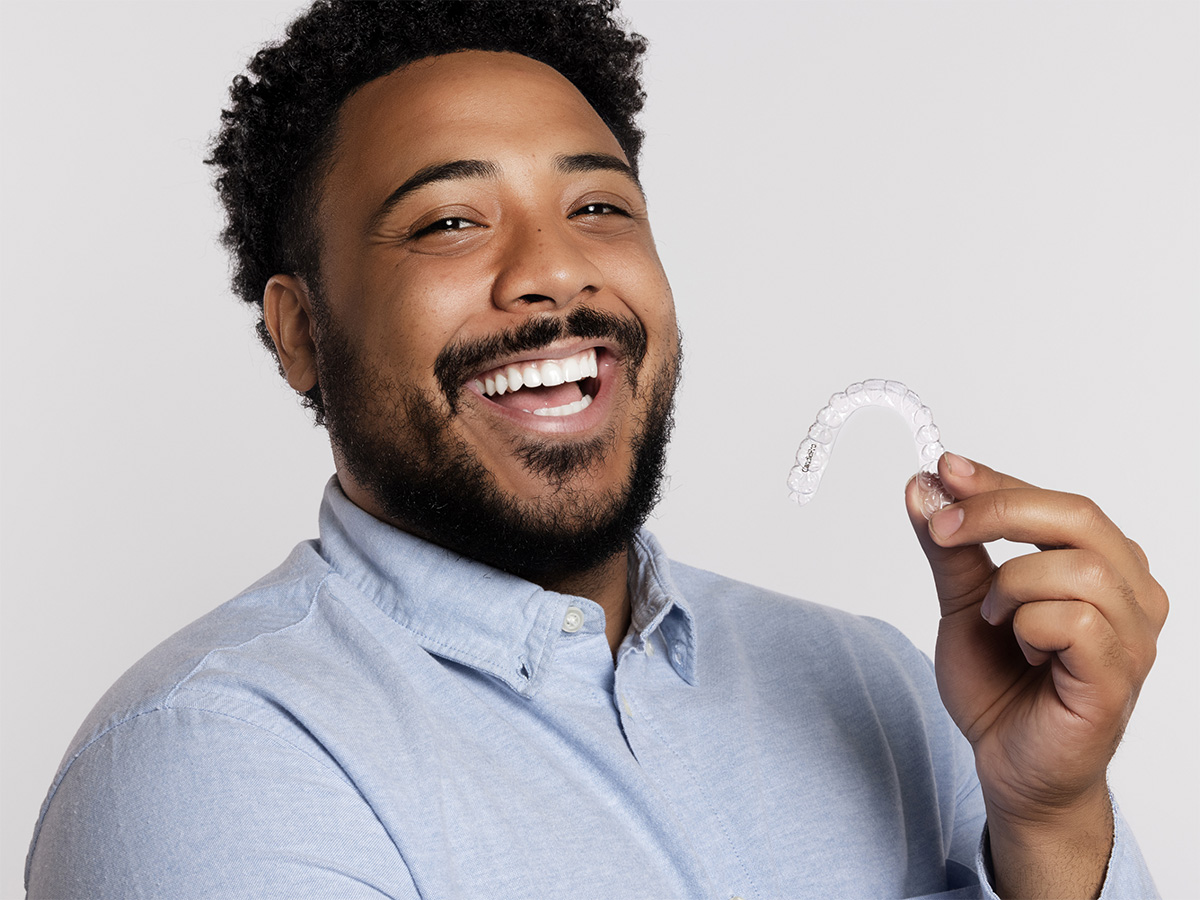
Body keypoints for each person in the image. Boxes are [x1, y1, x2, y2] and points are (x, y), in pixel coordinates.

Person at [25, 1, 1167, 897]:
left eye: (600, 209)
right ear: (299, 333)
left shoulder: (879, 686)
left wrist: (1051, 822)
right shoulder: (200, 763)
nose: (556, 271)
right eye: (450, 222)